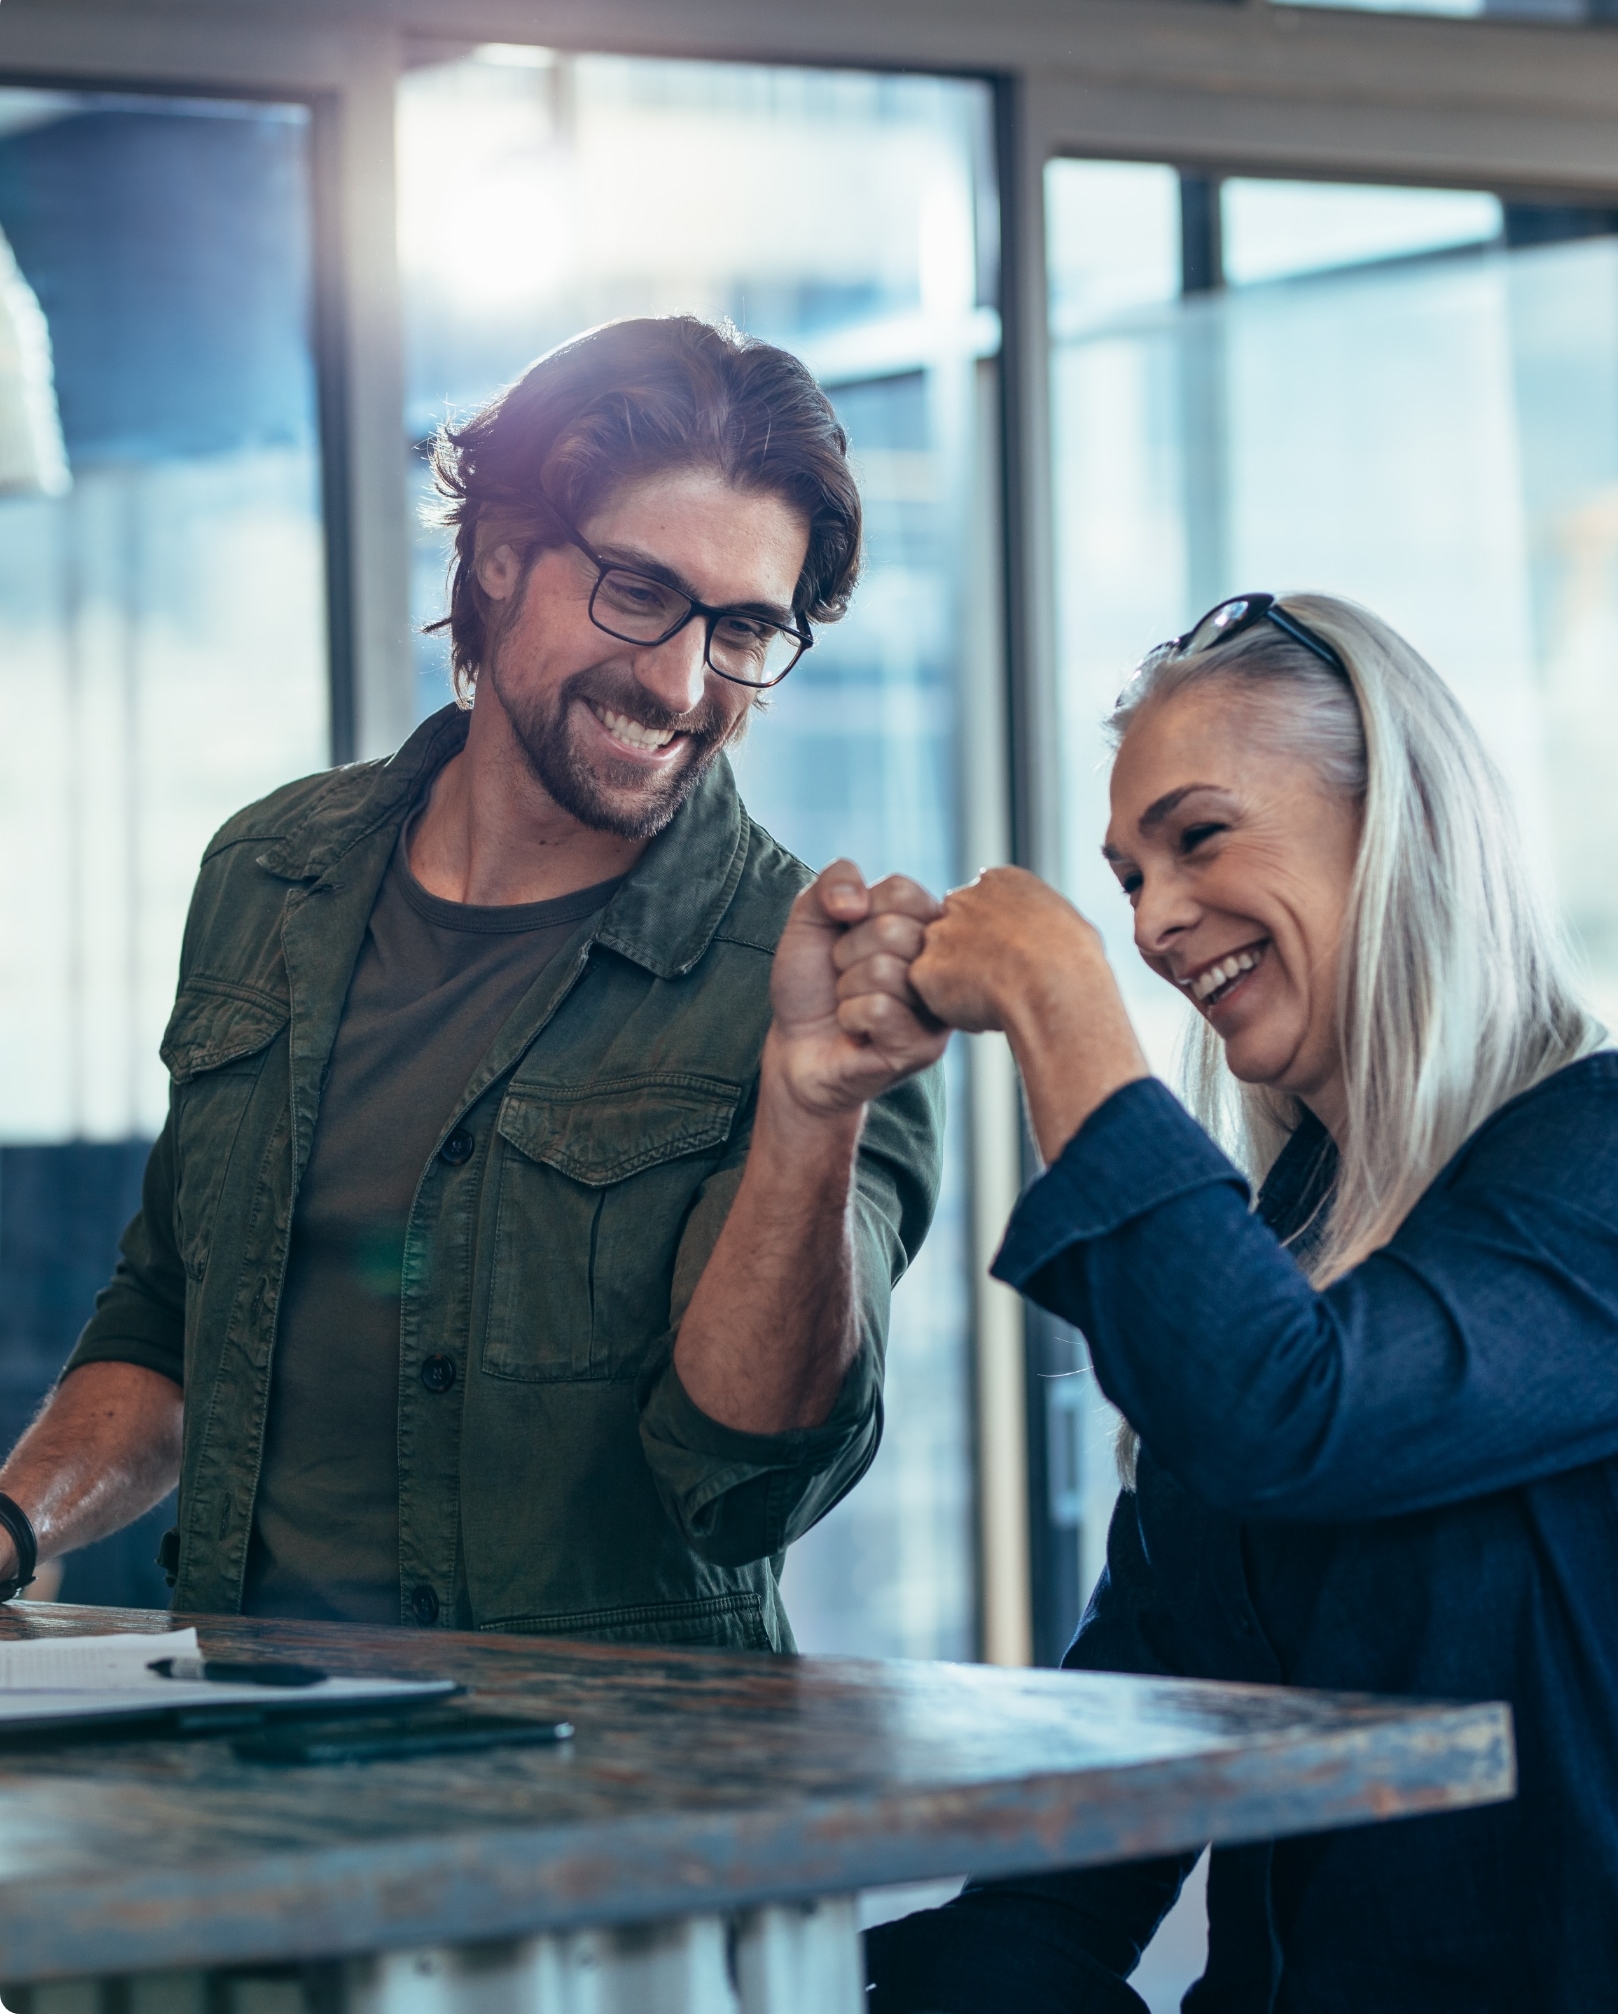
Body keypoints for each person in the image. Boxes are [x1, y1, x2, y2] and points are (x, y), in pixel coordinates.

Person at [0, 316, 946, 1645]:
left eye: (743, 630)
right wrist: (16, 1521)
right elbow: (174, 1314)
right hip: (256, 1775)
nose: (682, 682)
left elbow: (749, 1483)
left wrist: (812, 1112)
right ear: (499, 555)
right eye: (638, 589)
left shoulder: (816, 993)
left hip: (621, 1814)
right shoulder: (269, 876)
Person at [860, 593, 1618, 2012]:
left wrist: (1063, 1001)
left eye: (1199, 836)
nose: (1155, 923)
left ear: (1397, 820)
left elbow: (1288, 1417)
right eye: (1123, 880)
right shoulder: (1259, 1266)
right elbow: (1083, 1853)